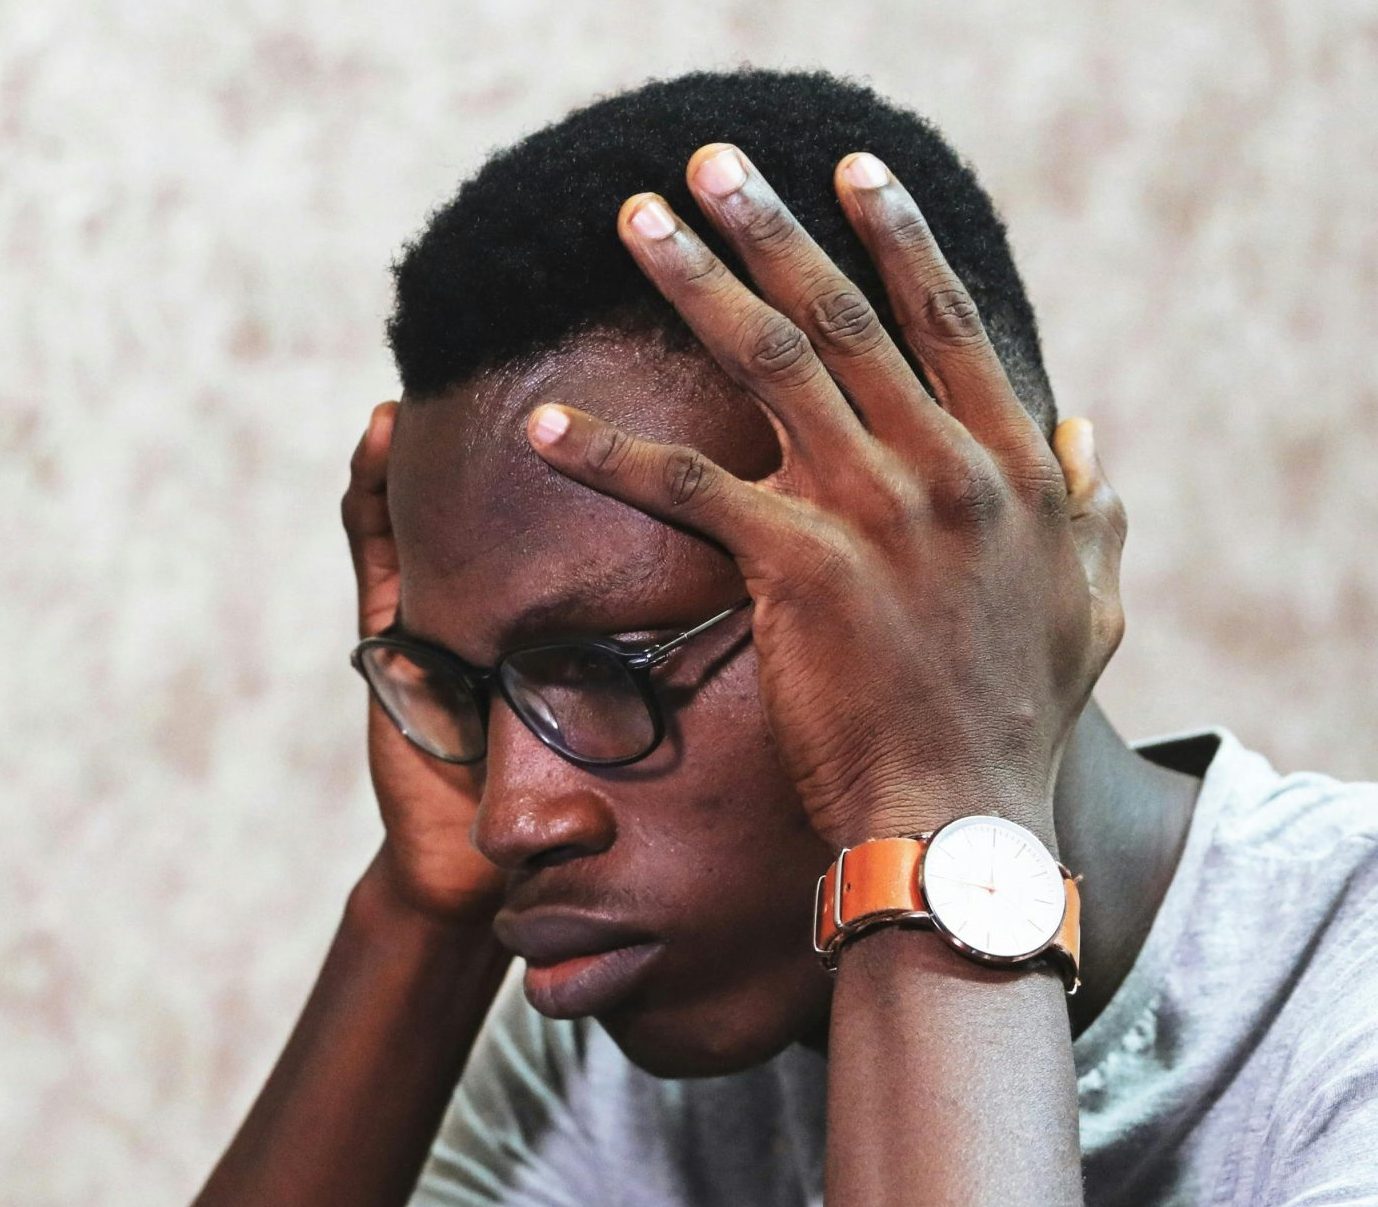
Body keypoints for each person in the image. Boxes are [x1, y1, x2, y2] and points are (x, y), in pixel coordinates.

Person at [196, 69, 1378, 1206]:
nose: (516, 817)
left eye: (608, 667)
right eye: (470, 690)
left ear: (975, 577)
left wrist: (931, 820)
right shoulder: (607, 1070)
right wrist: (422, 915)